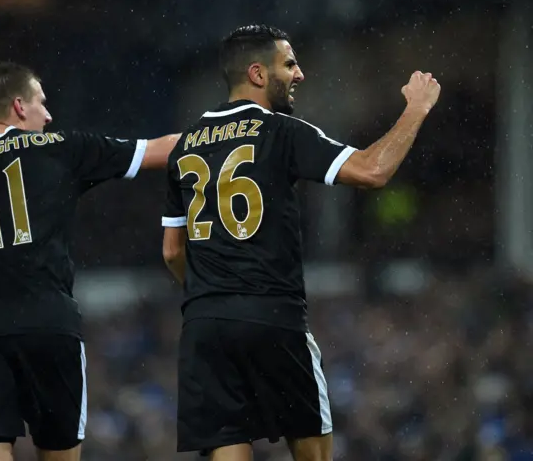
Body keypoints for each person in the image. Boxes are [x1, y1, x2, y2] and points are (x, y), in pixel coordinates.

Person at [161, 24, 440, 461]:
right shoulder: (280, 131)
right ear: (257, 73)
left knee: (228, 444)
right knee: (312, 448)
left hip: (205, 323)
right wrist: (417, 109)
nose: (300, 74)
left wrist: (211, 297)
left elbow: (172, 251)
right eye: (289, 64)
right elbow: (372, 171)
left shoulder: (186, 146)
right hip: (272, 314)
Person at [0, 61, 180, 461]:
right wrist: (227, 135)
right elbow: (159, 149)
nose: (48, 114)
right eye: (41, 102)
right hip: (51, 324)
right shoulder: (62, 148)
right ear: (18, 106)